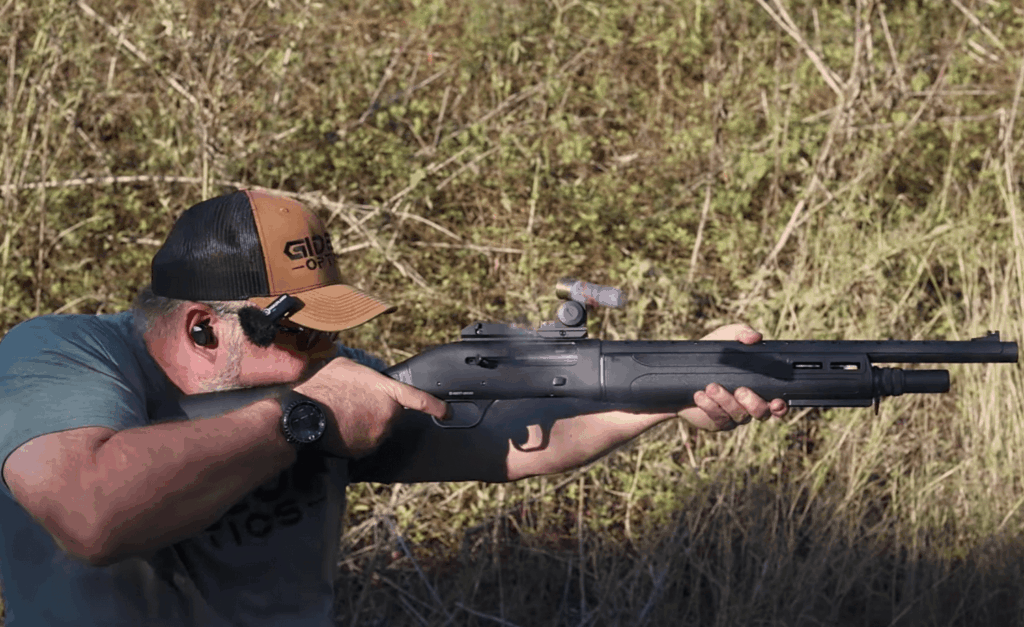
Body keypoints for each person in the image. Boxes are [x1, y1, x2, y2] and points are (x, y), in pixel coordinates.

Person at [0, 189, 788, 626]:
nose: (324, 355)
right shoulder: (62, 356)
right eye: (301, 331)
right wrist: (297, 419)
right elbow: (90, 511)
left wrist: (672, 386)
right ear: (206, 326)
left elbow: (520, 442)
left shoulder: (319, 381)